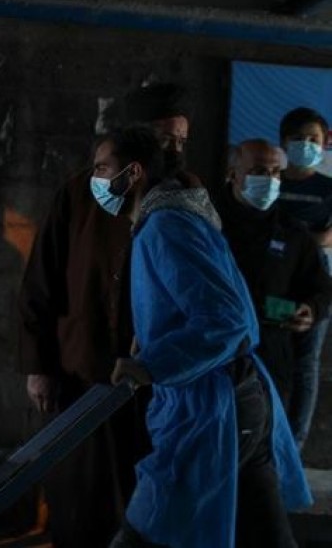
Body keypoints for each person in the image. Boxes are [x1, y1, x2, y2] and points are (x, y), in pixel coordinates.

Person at [101, 125, 311, 547]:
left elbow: (226, 320)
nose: (97, 178)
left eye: (103, 168)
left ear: (134, 172)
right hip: (238, 400)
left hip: (210, 404)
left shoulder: (165, 226)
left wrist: (152, 365)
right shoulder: (178, 217)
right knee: (261, 529)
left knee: (149, 527)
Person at [17, 83, 190, 547]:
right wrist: (39, 364)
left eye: (180, 140)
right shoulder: (81, 193)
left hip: (152, 385)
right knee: (79, 499)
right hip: (81, 372)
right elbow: (41, 282)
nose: (173, 149)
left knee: (140, 502)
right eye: (163, 138)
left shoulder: (184, 201)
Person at [215, 138, 332, 409]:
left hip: (271, 358)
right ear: (233, 174)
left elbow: (321, 287)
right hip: (215, 355)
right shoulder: (207, 225)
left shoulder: (292, 232)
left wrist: (310, 309)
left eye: (275, 172)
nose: (268, 179)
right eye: (258, 171)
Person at [277, 106, 332, 448]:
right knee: (271, 350)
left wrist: (292, 242)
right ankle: (268, 439)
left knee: (306, 361)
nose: (306, 144)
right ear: (283, 142)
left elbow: (328, 238)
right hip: (274, 282)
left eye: (313, 139)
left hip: (314, 284)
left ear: (325, 143)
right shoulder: (269, 180)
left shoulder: (328, 188)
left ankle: (294, 445)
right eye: (298, 138)